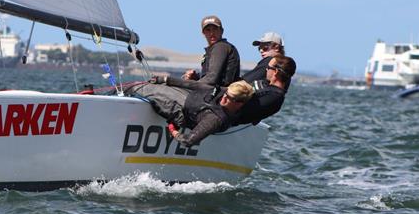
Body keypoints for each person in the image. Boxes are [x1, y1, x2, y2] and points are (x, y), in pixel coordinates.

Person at [124, 80, 255, 146]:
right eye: (226, 94)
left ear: (239, 104)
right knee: (136, 84)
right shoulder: (226, 93)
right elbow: (198, 86)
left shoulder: (215, 119)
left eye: (229, 98)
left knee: (135, 88)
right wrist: (166, 79)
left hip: (178, 109)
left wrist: (172, 129)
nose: (224, 98)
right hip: (186, 95)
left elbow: (188, 141)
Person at [174, 15, 241, 88]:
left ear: (221, 31)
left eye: (215, 29)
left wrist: (188, 84)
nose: (212, 33)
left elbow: (212, 79)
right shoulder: (216, 48)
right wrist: (196, 78)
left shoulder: (220, 47)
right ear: (203, 33)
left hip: (220, 94)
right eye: (208, 30)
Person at [234, 55, 296, 126]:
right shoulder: (267, 87)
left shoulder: (273, 97)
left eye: (268, 67)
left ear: (275, 71)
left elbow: (241, 112)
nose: (266, 69)